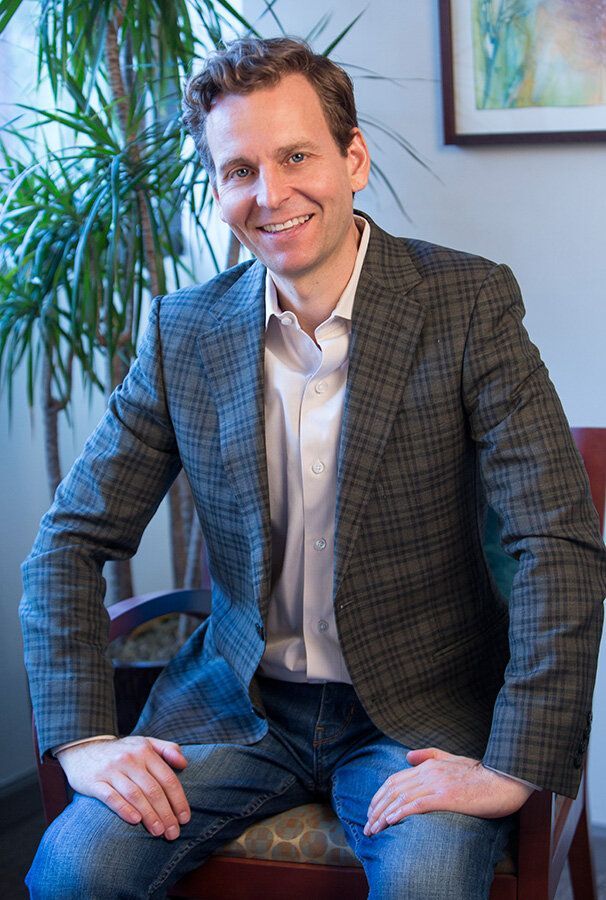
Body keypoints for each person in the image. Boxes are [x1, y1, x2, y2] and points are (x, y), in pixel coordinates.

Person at [22, 37, 605, 899]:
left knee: (431, 888)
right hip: (233, 711)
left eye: (297, 156)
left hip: (421, 712)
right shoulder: (184, 333)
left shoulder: (467, 305)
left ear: (353, 158)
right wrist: (83, 740)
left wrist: (513, 763)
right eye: (240, 169)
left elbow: (556, 542)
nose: (272, 193)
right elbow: (68, 541)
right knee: (73, 872)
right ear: (219, 190)